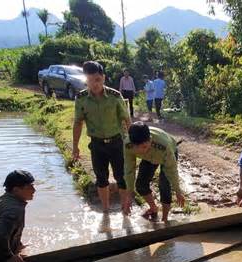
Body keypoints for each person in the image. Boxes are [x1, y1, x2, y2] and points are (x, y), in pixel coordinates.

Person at [72, 61, 131, 213]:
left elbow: (127, 119)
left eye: (97, 80)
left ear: (103, 78)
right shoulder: (81, 98)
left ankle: (126, 208)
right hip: (97, 145)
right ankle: (106, 210)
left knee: (121, 177)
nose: (94, 84)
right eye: (90, 81)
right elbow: (78, 123)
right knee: (101, 178)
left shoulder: (115, 96)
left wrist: (132, 142)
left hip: (117, 142)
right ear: (86, 80)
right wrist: (75, 146)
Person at [122, 122, 185, 223]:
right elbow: (129, 169)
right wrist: (129, 194)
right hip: (149, 158)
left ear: (150, 140)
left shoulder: (164, 146)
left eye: (144, 147)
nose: (142, 151)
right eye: (138, 148)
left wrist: (178, 191)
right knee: (141, 185)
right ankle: (153, 208)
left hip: (166, 153)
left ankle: (165, 218)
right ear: (132, 144)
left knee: (164, 185)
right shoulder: (127, 145)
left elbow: (172, 170)